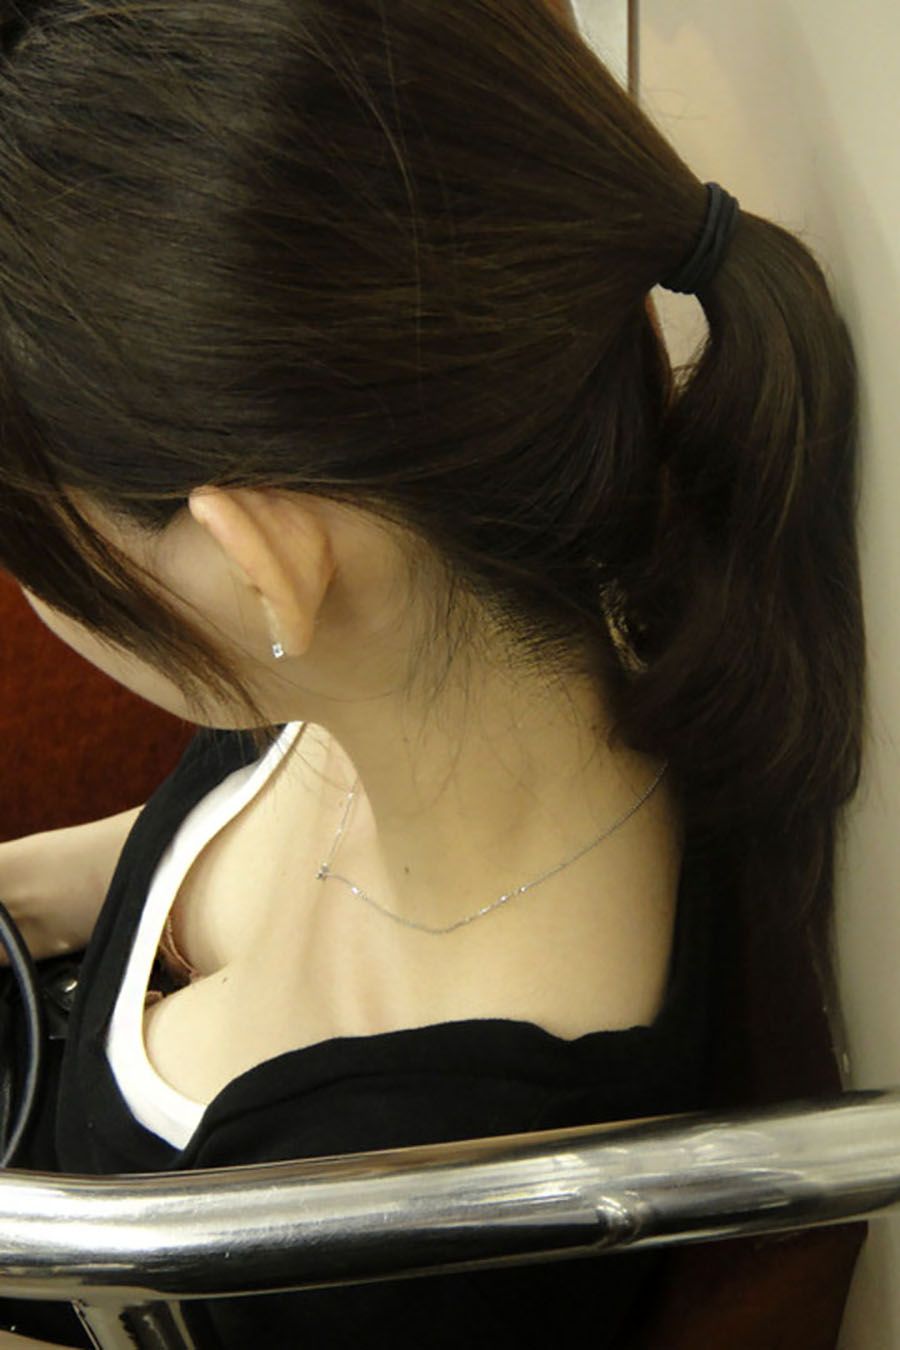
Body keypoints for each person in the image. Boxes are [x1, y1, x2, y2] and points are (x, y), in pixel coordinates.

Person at [0, 0, 865, 1346]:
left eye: (34, 543)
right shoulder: (446, 625)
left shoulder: (390, 1220)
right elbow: (197, 838)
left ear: (261, 567)